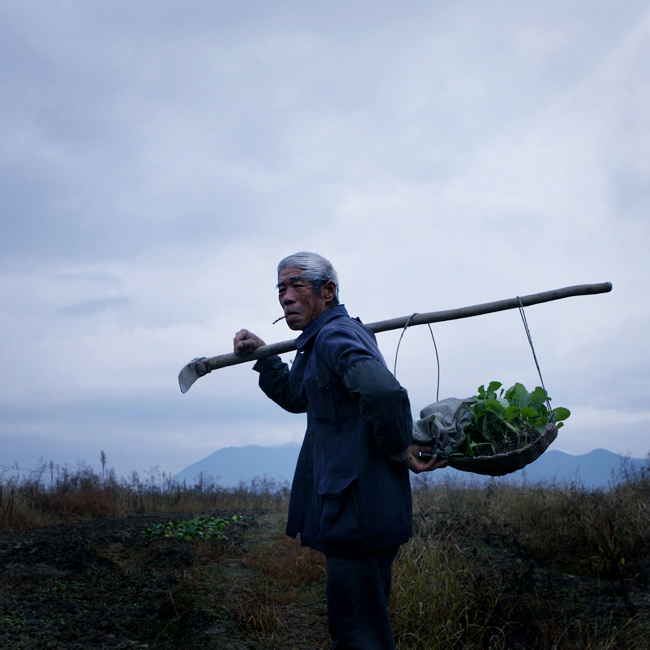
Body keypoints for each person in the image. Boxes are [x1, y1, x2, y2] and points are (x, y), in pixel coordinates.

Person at [233, 252, 446, 650]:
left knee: (357, 635)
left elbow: (384, 392)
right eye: (281, 289)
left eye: (297, 285)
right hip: (358, 511)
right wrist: (265, 358)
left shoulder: (334, 335)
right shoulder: (318, 344)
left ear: (328, 291)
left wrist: (401, 448)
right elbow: (299, 397)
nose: (286, 297)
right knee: (364, 625)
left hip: (357, 512)